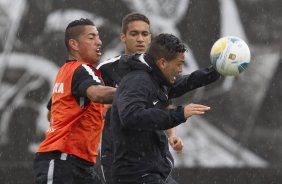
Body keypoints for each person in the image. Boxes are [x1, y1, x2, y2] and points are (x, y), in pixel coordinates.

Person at [110, 33, 220, 184]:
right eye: (179, 64)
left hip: (152, 173)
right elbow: (131, 116)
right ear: (162, 63)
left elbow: (186, 82)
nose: (180, 70)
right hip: (135, 176)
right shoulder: (138, 81)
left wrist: (215, 72)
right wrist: (179, 114)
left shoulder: (156, 77)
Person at [97, 12, 183, 184]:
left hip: (154, 157)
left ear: (150, 38)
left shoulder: (159, 70)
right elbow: (93, 101)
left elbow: (164, 105)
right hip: (121, 158)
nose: (140, 39)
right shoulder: (106, 69)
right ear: (123, 37)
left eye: (144, 34)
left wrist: (172, 135)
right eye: (134, 34)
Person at [34, 18, 116, 184]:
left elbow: (52, 114)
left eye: (98, 37)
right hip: (62, 161)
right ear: (74, 44)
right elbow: (98, 95)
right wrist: (136, 92)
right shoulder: (83, 69)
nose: (99, 42)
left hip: (76, 164)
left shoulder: (65, 71)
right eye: (91, 37)